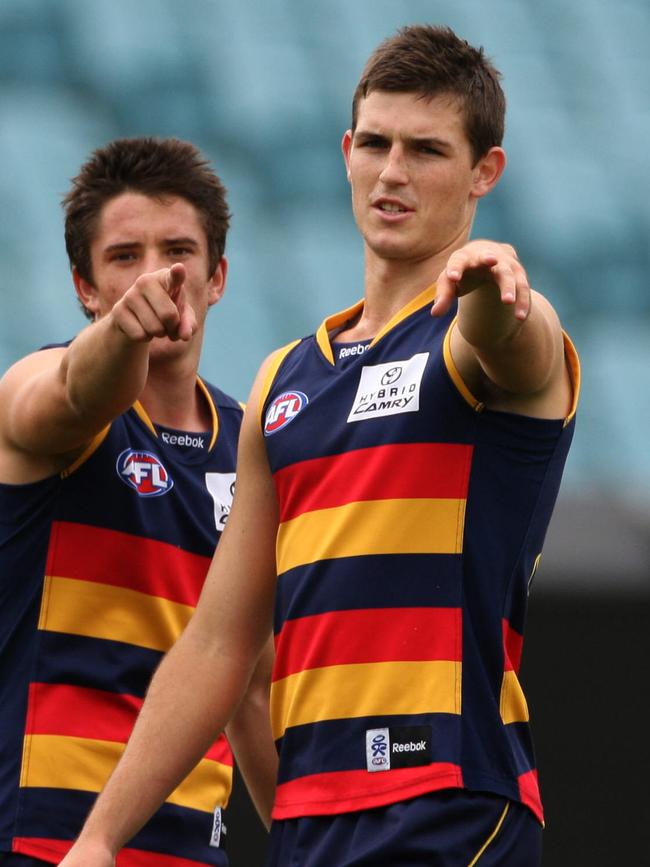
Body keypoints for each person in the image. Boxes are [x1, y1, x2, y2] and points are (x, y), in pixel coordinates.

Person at [58, 25, 581, 867]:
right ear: (344, 151)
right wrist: (100, 836)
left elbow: (518, 335)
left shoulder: (478, 337)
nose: (393, 172)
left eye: (427, 150)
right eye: (374, 143)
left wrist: (496, 282)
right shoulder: (283, 382)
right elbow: (220, 646)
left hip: (447, 805)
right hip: (309, 820)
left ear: (487, 171)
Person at [0, 137, 277, 867]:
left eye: (178, 251)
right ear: (84, 286)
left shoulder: (252, 447)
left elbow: (253, 690)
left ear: (216, 277)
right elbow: (74, 391)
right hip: (47, 847)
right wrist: (121, 331)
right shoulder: (40, 395)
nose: (155, 276)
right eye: (124, 257)